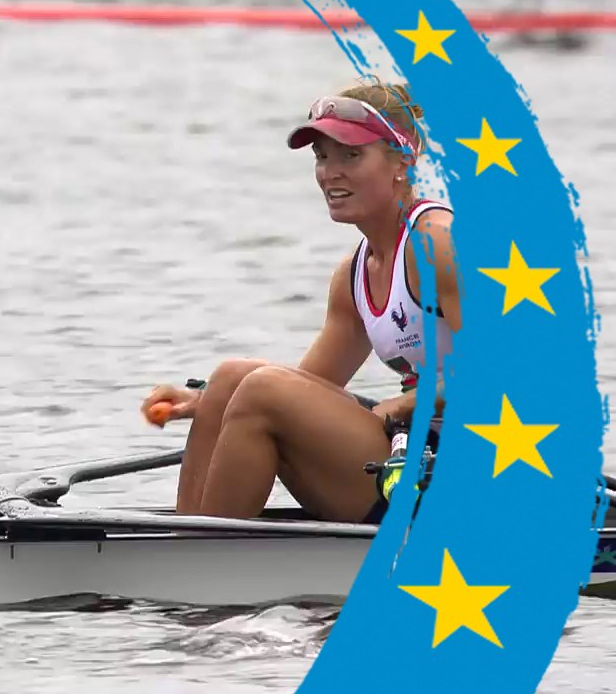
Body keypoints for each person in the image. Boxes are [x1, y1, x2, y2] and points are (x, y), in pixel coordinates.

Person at [140, 80, 460, 525]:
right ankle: (185, 541)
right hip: (413, 446)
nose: (330, 173)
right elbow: (308, 387)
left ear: (402, 161)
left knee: (261, 390)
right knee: (233, 378)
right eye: (322, 156)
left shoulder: (438, 244)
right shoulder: (354, 274)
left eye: (351, 156)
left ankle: (203, 556)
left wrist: (406, 405)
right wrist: (204, 400)